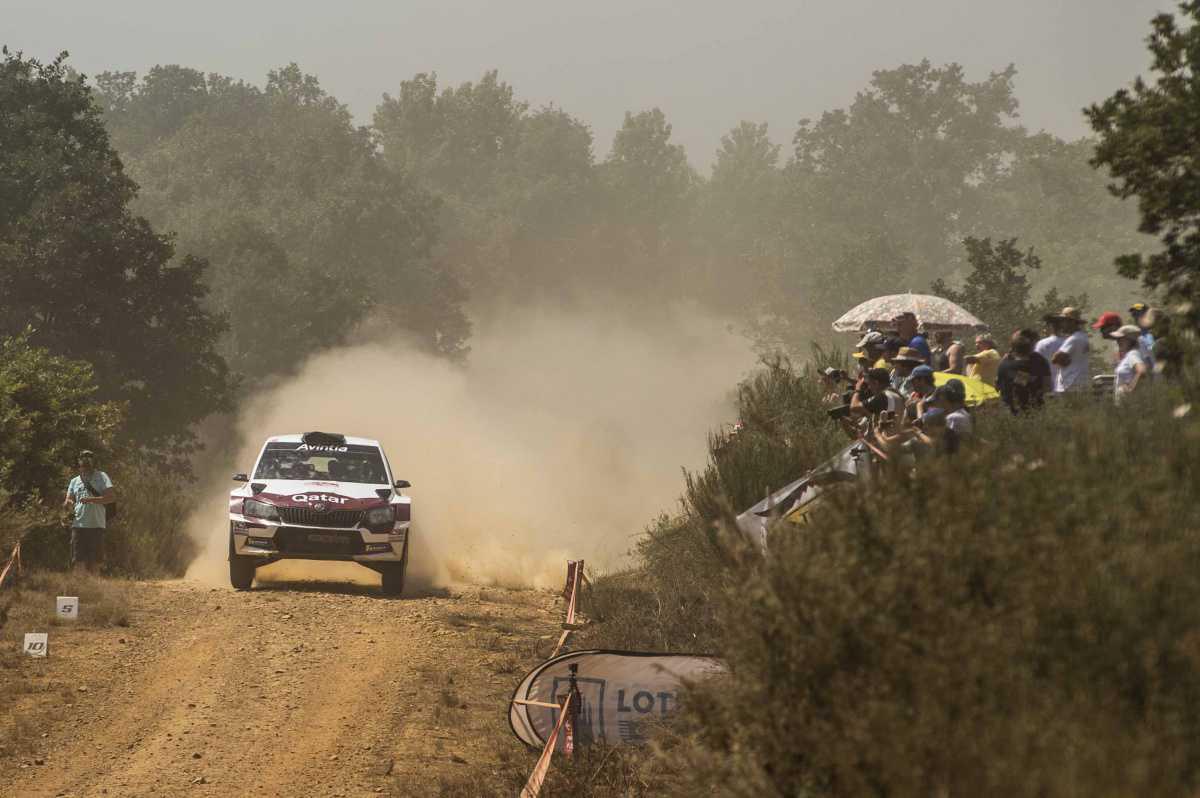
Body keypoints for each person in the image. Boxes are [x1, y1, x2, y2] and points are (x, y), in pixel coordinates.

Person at [62, 450, 115, 572]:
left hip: (96, 525)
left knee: (96, 562)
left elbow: (111, 498)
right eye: (83, 458)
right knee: (78, 560)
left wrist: (91, 500)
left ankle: (95, 589)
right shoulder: (74, 481)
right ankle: (80, 589)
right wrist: (68, 504)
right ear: (79, 461)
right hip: (78, 525)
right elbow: (68, 500)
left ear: (93, 460)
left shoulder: (102, 477)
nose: (86, 460)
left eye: (89, 457)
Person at [996, 330, 1049, 413]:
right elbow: (1046, 385)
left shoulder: (1005, 363)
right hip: (1032, 410)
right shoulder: (1039, 360)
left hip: (1011, 410)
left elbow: (997, 385)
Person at [1047, 307, 1090, 393]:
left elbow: (1055, 358)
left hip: (1069, 384)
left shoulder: (1073, 339)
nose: (1061, 324)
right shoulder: (1084, 337)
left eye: (1064, 321)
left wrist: (1060, 361)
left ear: (1071, 322)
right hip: (1080, 383)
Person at [1112, 324, 1148, 399]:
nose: (1117, 341)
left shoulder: (1133, 354)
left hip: (1130, 403)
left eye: (1120, 338)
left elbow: (1142, 370)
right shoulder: (1129, 355)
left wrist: (1131, 388)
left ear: (1129, 340)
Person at [1129, 302, 1157, 373]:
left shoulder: (1154, 334)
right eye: (1134, 315)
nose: (1136, 318)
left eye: (1139, 314)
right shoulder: (1139, 337)